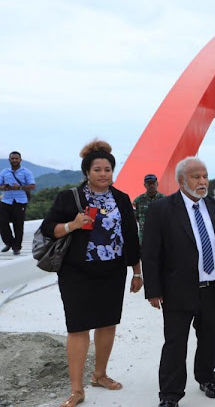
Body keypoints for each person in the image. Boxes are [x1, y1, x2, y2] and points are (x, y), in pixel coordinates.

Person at [40, 140, 142, 407]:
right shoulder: (69, 197)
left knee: (108, 323)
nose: (103, 174)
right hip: (77, 272)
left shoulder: (121, 199)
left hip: (112, 270)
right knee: (78, 327)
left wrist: (137, 271)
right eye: (97, 169)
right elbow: (48, 229)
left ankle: (100, 375)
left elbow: (131, 236)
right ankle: (76, 389)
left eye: (107, 169)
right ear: (87, 172)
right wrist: (72, 224)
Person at [142, 157, 215, 407]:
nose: (202, 182)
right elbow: (151, 252)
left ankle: (207, 378)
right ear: (181, 180)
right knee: (175, 342)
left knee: (210, 339)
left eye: (205, 176)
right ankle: (170, 394)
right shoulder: (162, 209)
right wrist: (153, 290)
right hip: (178, 289)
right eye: (196, 177)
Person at [0, 151, 36, 255]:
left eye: (16, 158)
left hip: (20, 201)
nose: (15, 160)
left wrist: (19, 187)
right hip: (6, 200)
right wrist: (4, 187)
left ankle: (17, 246)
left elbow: (32, 186)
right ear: (9, 160)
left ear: (20, 160)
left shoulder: (26, 172)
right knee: (2, 222)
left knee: (18, 224)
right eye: (12, 158)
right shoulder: (4, 172)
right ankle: (9, 242)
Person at [132, 174, 165, 243]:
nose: (151, 186)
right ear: (145, 185)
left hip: (160, 237)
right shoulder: (138, 200)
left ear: (157, 184)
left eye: (153, 183)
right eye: (149, 184)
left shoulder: (164, 199)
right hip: (144, 238)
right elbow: (134, 216)